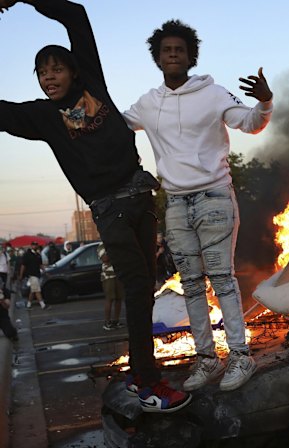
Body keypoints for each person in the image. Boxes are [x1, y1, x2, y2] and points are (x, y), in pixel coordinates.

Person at [0, 0, 190, 412]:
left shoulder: (94, 87)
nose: (49, 77)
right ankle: (145, 380)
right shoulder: (42, 117)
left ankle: (142, 370)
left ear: (73, 71)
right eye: (42, 72)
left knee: (147, 290)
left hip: (141, 196)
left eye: (56, 69)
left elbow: (76, 15)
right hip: (110, 210)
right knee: (138, 287)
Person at [123, 20, 273, 392]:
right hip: (174, 204)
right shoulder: (148, 103)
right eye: (166, 50)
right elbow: (115, 126)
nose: (172, 54)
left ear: (190, 56)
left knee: (222, 280)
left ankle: (241, 356)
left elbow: (250, 124)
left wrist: (265, 102)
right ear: (157, 59)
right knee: (190, 284)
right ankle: (207, 360)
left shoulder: (213, 94)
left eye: (179, 49)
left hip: (214, 199)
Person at [97, 243, 124, 331]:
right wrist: (115, 252)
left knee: (119, 298)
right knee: (110, 299)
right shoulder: (102, 245)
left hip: (118, 274)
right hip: (108, 276)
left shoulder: (116, 243)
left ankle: (116, 321)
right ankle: (107, 322)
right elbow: (105, 258)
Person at [19, 242, 47, 309]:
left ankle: (29, 305)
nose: (35, 246)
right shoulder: (27, 255)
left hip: (37, 274)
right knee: (37, 290)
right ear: (31, 246)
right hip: (31, 275)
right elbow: (23, 266)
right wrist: (21, 275)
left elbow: (40, 265)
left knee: (33, 290)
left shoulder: (37, 255)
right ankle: (43, 305)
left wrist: (45, 271)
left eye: (36, 245)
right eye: (33, 245)